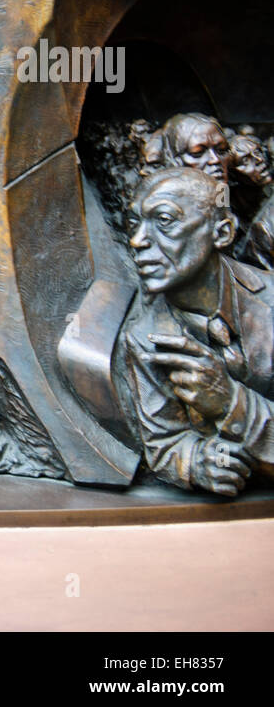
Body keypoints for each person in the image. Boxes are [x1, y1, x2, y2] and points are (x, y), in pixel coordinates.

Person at [118, 167, 274, 496]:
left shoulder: (270, 301)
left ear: (221, 232)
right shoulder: (144, 335)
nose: (137, 240)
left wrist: (230, 402)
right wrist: (198, 463)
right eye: (134, 223)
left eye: (163, 220)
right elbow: (164, 442)